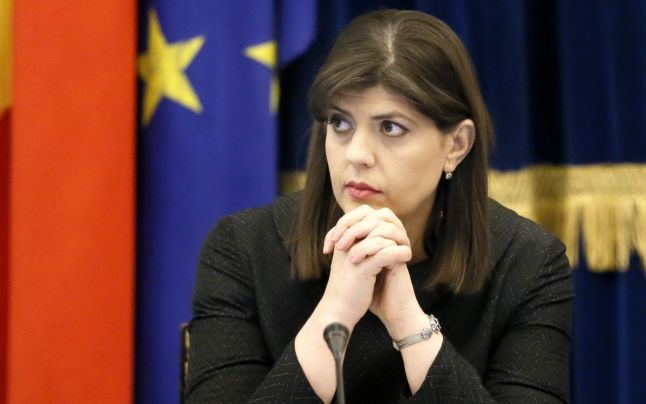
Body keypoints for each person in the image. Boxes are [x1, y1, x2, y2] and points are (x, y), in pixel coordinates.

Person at [186, 9, 572, 403]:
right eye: (340, 123)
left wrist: (409, 322)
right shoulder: (243, 248)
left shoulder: (527, 263)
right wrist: (335, 311)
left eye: (391, 127)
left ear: (456, 145)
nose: (356, 154)